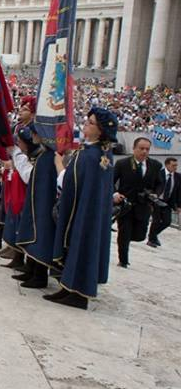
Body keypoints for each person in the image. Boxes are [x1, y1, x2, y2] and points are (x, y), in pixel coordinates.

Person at [47, 108, 117, 310]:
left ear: (101, 130)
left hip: (86, 212)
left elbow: (72, 182)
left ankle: (78, 292)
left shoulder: (97, 156)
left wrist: (59, 165)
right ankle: (68, 286)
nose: (86, 124)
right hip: (78, 207)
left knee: (82, 244)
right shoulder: (90, 151)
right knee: (72, 245)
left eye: (91, 122)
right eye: (87, 120)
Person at [10, 127, 57, 289]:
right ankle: (31, 269)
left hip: (43, 203)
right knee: (32, 234)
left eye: (36, 132)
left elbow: (30, 176)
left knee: (40, 237)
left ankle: (39, 275)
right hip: (36, 201)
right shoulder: (44, 154)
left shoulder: (47, 156)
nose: (33, 135)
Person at [112, 137, 164, 268]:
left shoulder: (155, 165)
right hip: (126, 205)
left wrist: (155, 194)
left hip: (143, 205)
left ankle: (129, 239)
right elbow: (110, 181)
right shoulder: (122, 164)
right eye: (141, 148)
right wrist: (115, 194)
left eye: (147, 149)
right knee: (124, 233)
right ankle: (123, 260)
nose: (144, 152)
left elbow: (160, 183)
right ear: (134, 149)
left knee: (140, 235)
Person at [148, 157, 179, 248]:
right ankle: (151, 240)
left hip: (167, 202)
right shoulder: (158, 174)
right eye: (173, 165)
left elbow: (178, 192)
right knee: (156, 220)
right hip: (156, 200)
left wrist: (178, 206)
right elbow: (151, 186)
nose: (175, 167)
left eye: (176, 165)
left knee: (167, 221)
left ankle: (153, 236)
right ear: (167, 165)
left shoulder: (178, 177)